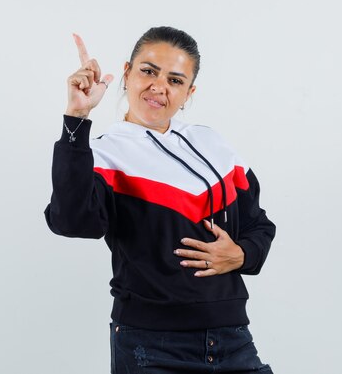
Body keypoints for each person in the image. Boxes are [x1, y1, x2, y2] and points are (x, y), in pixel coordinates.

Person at [44, 26, 276, 373]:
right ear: (127, 73)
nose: (159, 87)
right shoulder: (104, 154)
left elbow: (259, 224)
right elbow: (72, 222)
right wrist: (76, 119)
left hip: (232, 339)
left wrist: (243, 254)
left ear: (189, 92)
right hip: (151, 346)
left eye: (175, 80)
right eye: (148, 71)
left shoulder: (214, 145)